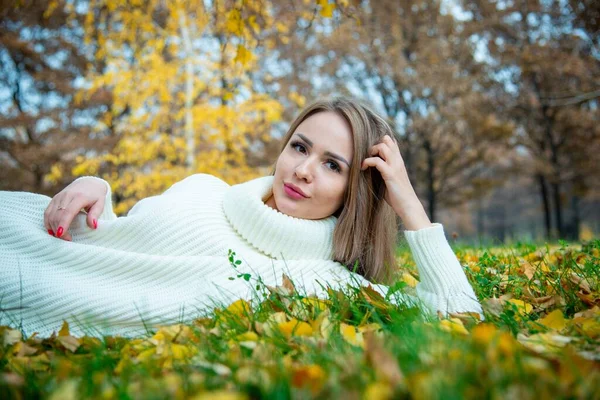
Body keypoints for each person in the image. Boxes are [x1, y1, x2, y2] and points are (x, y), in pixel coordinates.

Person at [0, 97, 484, 339]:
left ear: (356, 192)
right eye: (299, 147)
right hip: (27, 235)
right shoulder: (205, 188)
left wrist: (406, 200)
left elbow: (460, 314)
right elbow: (123, 235)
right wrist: (97, 190)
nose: (302, 170)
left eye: (333, 165)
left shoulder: (325, 282)